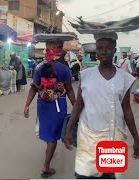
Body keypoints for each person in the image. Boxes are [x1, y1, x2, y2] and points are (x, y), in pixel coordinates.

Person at [65, 32, 139, 179]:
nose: (103, 51)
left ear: (114, 49)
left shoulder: (124, 78)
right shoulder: (86, 75)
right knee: (85, 174)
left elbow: (127, 110)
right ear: (96, 51)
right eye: (99, 48)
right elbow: (79, 105)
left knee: (110, 175)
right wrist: (69, 129)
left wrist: (136, 138)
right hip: (88, 135)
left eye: (108, 48)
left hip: (114, 136)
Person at [24, 36, 76, 178]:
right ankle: (46, 167)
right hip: (57, 106)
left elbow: (34, 88)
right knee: (53, 136)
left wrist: (27, 105)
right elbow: (70, 89)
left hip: (43, 105)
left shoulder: (41, 68)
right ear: (60, 51)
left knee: (49, 133)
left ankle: (49, 150)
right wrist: (76, 106)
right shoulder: (64, 69)